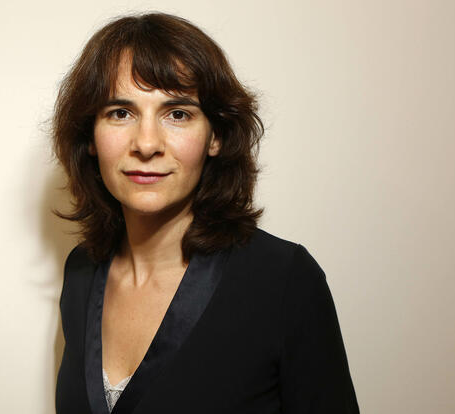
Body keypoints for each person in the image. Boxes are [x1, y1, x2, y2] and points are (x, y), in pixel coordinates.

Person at [52, 12, 359, 414]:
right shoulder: (81, 272)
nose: (147, 144)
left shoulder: (284, 280)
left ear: (215, 136)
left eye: (177, 113)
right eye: (120, 113)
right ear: (90, 135)